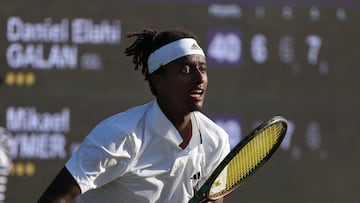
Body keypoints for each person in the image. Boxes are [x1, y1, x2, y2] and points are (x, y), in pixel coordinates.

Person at [38, 28, 230, 203]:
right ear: (158, 81)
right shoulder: (118, 135)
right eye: (185, 70)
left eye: (203, 69)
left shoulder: (216, 140)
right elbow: (54, 199)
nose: (199, 78)